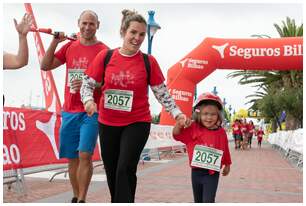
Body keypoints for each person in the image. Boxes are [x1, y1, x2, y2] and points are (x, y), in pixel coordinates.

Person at [80, 9, 187, 203]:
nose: (137, 38)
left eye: (141, 34)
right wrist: (88, 101)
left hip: (137, 122)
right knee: (112, 169)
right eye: (133, 33)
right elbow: (87, 84)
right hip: (108, 122)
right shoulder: (105, 57)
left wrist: (177, 112)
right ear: (123, 32)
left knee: (125, 167)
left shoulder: (148, 62)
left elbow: (161, 92)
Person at [40, 10, 108, 203]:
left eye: (91, 24)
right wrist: (55, 42)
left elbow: (108, 84)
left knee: (85, 155)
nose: (87, 27)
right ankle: (76, 196)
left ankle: (82, 199)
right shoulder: (70, 46)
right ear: (78, 23)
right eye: (84, 23)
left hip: (90, 111)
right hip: (69, 111)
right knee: (72, 158)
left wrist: (90, 84)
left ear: (98, 25)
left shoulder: (104, 51)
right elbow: (45, 66)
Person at [173, 92, 232, 203]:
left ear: (218, 115)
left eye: (213, 114)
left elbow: (225, 149)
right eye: (205, 114)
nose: (209, 118)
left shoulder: (221, 132)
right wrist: (179, 124)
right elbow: (177, 135)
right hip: (196, 172)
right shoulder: (193, 127)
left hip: (212, 173)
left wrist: (227, 164)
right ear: (198, 114)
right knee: (198, 201)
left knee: (208, 200)